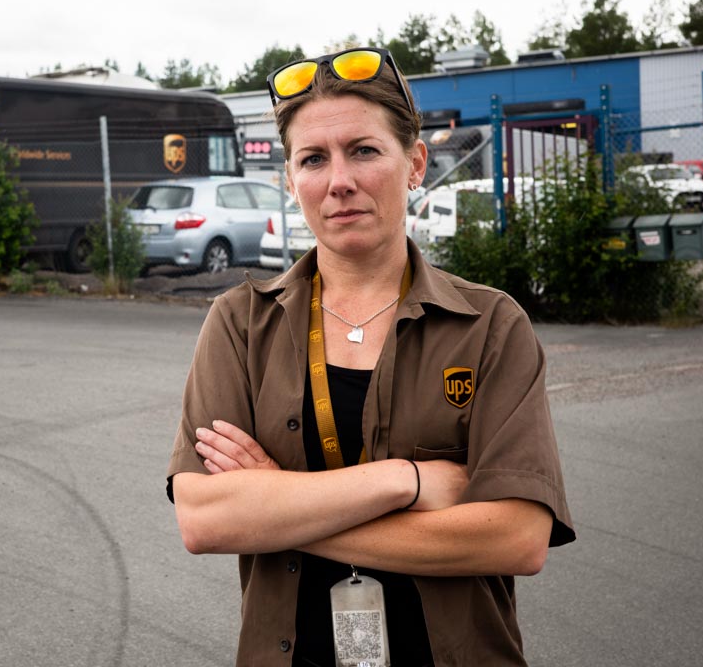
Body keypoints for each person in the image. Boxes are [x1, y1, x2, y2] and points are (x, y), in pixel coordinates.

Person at [166, 47, 575, 667]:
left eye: (363, 150)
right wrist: (406, 481)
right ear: (290, 180)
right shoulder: (241, 325)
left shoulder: (490, 327)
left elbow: (517, 538)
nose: (339, 181)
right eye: (313, 158)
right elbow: (205, 521)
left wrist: (277, 503)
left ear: (415, 164)